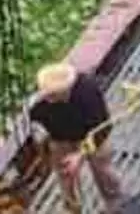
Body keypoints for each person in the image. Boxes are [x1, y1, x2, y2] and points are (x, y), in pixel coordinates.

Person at [30, 63, 124, 214]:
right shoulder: (39, 103)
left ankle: (116, 205)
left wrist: (80, 155)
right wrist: (42, 146)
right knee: (65, 174)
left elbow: (103, 129)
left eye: (52, 95)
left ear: (66, 91)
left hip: (93, 136)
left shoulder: (88, 93)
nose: (48, 98)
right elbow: (35, 125)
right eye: (46, 94)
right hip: (60, 138)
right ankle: (72, 207)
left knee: (103, 171)